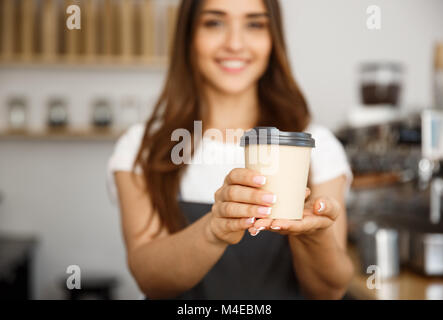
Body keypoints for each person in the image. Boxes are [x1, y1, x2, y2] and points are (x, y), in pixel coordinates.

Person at [107, 0, 354, 300]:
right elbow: (149, 279)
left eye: (254, 24)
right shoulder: (143, 148)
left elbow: (330, 291)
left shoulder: (316, 146)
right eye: (214, 22)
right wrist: (213, 230)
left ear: (272, 38)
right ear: (189, 35)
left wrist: (315, 239)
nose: (235, 44)